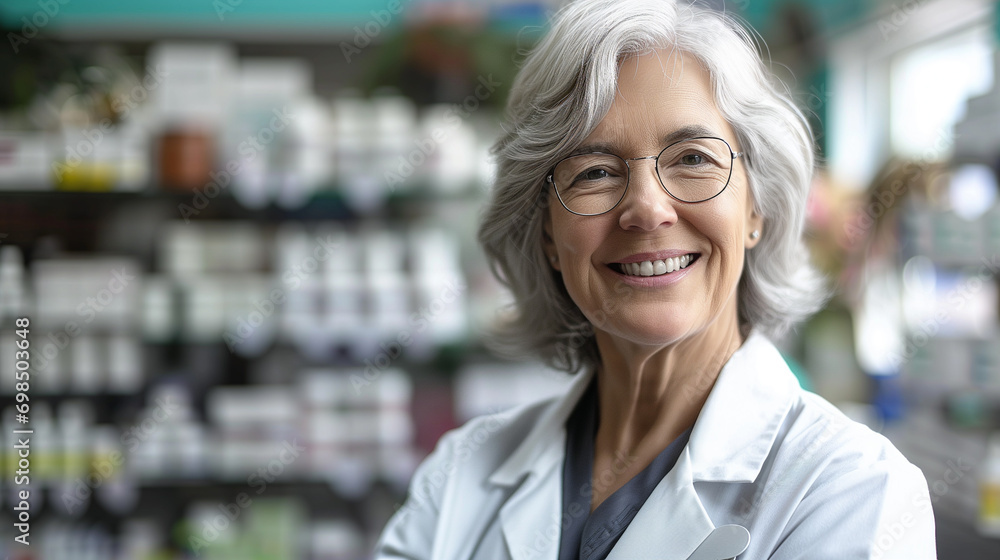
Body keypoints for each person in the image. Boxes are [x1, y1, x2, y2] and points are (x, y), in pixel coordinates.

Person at [374, 0, 936, 558]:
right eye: (594, 171)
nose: (647, 209)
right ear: (546, 231)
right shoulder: (461, 473)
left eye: (693, 158)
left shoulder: (854, 492)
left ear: (755, 210)